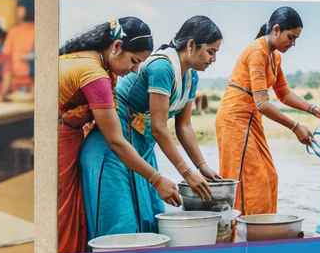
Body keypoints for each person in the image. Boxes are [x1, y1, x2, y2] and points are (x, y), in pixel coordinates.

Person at [83, 16, 223, 238]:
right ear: (190, 45)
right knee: (122, 220)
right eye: (211, 52)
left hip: (143, 144)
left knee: (151, 215)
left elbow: (184, 126)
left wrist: (201, 166)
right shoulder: (162, 67)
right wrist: (187, 174)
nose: (214, 59)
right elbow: (159, 128)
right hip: (116, 142)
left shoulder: (191, 77)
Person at [57, 17, 169, 253]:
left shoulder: (77, 58)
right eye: (134, 61)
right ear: (116, 47)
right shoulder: (94, 74)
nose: (135, 69)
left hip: (66, 139)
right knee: (65, 217)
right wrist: (157, 180)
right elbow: (116, 141)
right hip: (60, 146)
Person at [214, 6, 320, 216]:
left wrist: (312, 109)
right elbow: (262, 103)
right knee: (249, 182)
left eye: (296, 38)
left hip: (252, 121)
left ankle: (264, 234)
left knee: (270, 176)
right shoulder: (257, 52)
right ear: (276, 29)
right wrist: (295, 127)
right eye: (291, 37)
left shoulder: (274, 57)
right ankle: (241, 239)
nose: (293, 43)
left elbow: (284, 93)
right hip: (235, 121)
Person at [5, 0, 35, 95]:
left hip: (33, 80)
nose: (16, 10)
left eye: (18, 7)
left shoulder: (36, 28)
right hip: (15, 80)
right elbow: (6, 56)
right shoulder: (13, 30)